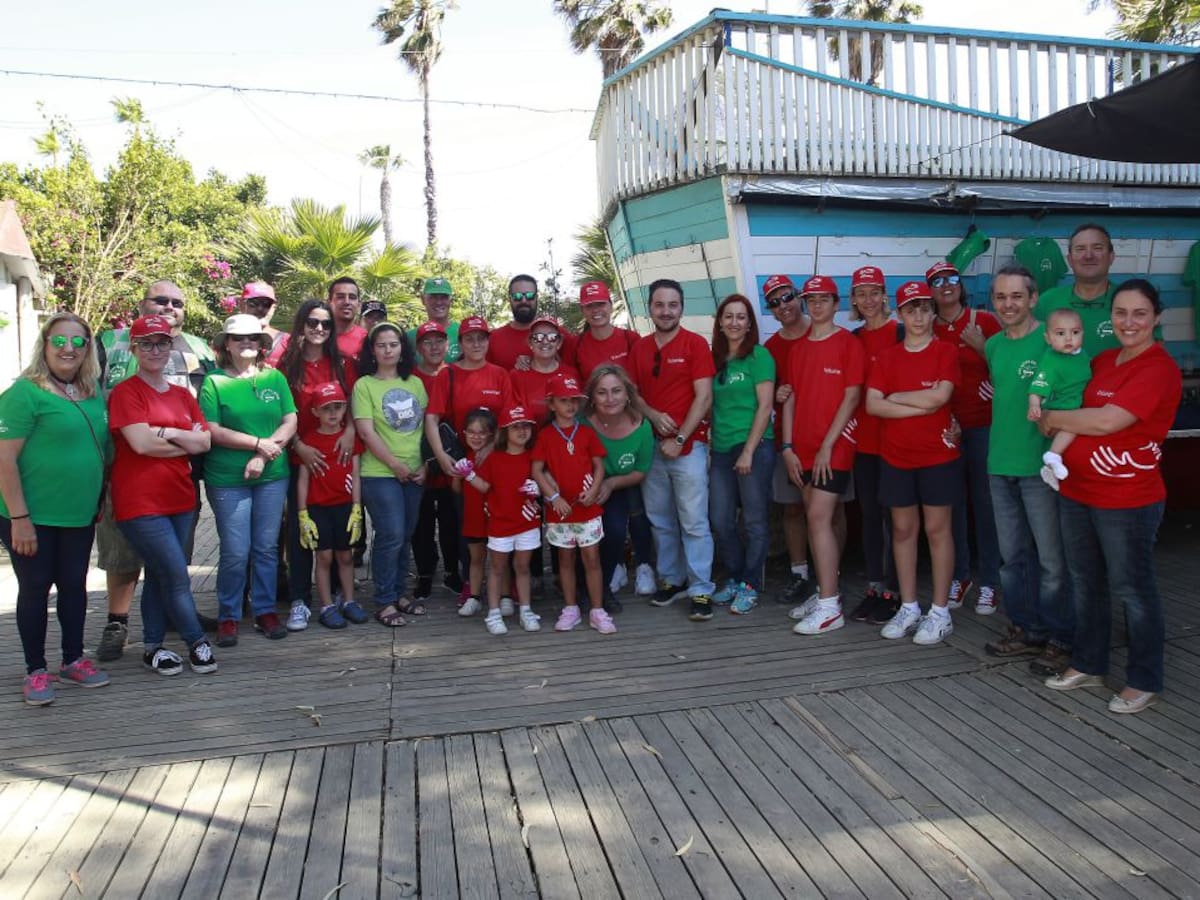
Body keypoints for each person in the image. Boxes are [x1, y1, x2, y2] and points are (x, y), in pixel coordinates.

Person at [1042, 279, 1181, 714]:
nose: (1129, 321)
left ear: (1156, 318)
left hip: (1128, 499)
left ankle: (1143, 678)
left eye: (1140, 313)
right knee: (1086, 582)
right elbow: (1072, 400)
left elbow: (1106, 421)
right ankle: (1090, 663)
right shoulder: (1100, 360)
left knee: (1132, 588)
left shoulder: (1158, 368)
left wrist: (1053, 417)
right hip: (1078, 491)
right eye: (1120, 313)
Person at [94, 280, 216, 662]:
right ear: (134, 347)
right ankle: (197, 643)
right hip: (138, 497)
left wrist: (162, 432)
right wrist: (180, 439)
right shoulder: (125, 390)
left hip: (180, 495)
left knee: (164, 574)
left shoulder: (183, 392)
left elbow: (205, 442)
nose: (155, 349)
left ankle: (153, 647)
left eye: (161, 343)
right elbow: (140, 444)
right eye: (146, 344)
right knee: (170, 572)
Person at [0, 313, 111, 705]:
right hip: (32, 516)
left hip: (78, 514)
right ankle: (35, 669)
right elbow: (4, 460)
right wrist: (19, 519)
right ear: (44, 345)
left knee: (74, 587)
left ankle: (73, 659)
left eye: (78, 342)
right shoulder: (24, 393)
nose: (69, 349)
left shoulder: (93, 393)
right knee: (34, 588)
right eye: (59, 341)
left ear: (88, 350)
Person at [983, 265, 1075, 676]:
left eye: (1017, 296)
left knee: (1052, 560)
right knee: (1011, 558)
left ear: (1033, 299)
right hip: (998, 464)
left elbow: (1072, 394)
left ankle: (1061, 637)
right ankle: (1027, 628)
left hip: (1039, 468)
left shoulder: (1052, 341)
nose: (1008, 304)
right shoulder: (994, 346)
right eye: (1001, 297)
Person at [865, 281, 961, 646]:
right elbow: (874, 405)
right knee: (903, 531)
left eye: (924, 308)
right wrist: (921, 402)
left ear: (932, 311)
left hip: (938, 455)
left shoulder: (945, 351)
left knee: (938, 530)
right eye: (911, 309)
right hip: (896, 456)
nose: (918, 316)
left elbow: (941, 398)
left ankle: (939, 611)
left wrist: (900, 397)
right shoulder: (888, 358)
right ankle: (908, 606)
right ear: (900, 314)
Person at [200, 314, 298, 646]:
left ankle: (265, 610)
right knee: (235, 551)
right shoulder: (214, 382)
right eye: (238, 338)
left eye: (253, 338)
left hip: (271, 474)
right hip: (227, 477)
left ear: (261, 344)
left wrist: (263, 454)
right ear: (226, 344)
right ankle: (229, 615)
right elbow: (211, 430)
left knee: (267, 548)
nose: (246, 343)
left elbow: (290, 421)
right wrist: (257, 444)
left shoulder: (275, 378)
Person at [781, 277, 865, 635]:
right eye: (810, 299)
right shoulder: (798, 349)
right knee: (820, 523)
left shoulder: (847, 343)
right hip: (801, 448)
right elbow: (790, 399)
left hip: (836, 446)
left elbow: (851, 397)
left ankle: (830, 607)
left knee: (818, 518)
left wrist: (830, 443)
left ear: (835, 303)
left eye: (823, 299)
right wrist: (786, 447)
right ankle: (824, 591)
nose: (816, 305)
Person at [629, 278, 716, 621]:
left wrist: (679, 439)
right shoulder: (640, 347)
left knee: (694, 521)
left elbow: (704, 396)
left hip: (689, 447)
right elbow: (632, 392)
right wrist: (651, 414)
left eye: (673, 305)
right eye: (659, 305)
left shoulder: (695, 345)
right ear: (650, 307)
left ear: (682, 307)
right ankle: (673, 579)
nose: (666, 311)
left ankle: (700, 589)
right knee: (661, 519)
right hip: (651, 447)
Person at [273, 299, 358, 629]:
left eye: (325, 323)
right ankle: (299, 599)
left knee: (339, 532)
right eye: (312, 322)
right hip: (301, 459)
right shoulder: (287, 366)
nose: (319, 329)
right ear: (301, 324)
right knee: (301, 532)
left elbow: (354, 407)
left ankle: (338, 595)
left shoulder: (343, 365)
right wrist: (298, 446)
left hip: (338, 457)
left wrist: (350, 431)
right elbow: (279, 414)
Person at [928, 260, 1002, 614]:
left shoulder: (983, 322)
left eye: (952, 278)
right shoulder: (927, 328)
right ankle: (960, 575)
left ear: (961, 284)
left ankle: (990, 580)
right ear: (930, 291)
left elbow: (1011, 368)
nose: (946, 285)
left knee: (986, 504)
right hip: (948, 429)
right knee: (952, 505)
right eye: (937, 281)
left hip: (986, 426)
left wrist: (983, 347)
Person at [352, 322, 428, 626]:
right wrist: (395, 465)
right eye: (381, 345)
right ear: (372, 350)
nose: (388, 350)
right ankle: (384, 600)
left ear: (402, 348)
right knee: (390, 534)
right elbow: (366, 433)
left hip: (414, 471)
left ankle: (399, 593)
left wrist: (425, 465)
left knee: (406, 535)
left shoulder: (416, 384)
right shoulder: (364, 386)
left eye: (393, 344)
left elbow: (424, 429)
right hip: (379, 472)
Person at [708, 293, 776, 615]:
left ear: (749, 324)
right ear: (720, 323)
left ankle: (750, 583)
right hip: (721, 448)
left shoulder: (759, 356)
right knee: (720, 519)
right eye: (729, 316)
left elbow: (765, 406)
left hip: (754, 445)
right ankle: (735, 577)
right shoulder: (715, 359)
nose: (735, 322)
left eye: (741, 317)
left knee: (754, 520)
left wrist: (748, 450)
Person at [532, 372, 612, 634]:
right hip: (560, 512)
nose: (570, 406)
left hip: (587, 509)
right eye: (564, 401)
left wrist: (595, 489)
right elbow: (537, 470)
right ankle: (571, 608)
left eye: (574, 400)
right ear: (551, 404)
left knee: (592, 559)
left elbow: (599, 466)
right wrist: (554, 498)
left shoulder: (587, 433)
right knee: (564, 561)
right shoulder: (545, 436)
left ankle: (598, 610)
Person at [846, 266, 902, 624]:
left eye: (873, 292)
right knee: (869, 517)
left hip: (897, 441)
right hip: (864, 441)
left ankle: (895, 590)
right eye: (860, 293)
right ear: (853, 299)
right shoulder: (852, 338)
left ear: (885, 295)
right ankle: (875, 585)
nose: (867, 299)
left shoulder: (900, 332)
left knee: (895, 518)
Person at [461, 405, 543, 635]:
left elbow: (545, 481)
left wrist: (538, 488)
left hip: (527, 523)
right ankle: (494, 612)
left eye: (526, 426)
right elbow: (485, 487)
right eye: (516, 426)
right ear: (505, 431)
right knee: (497, 567)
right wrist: (469, 475)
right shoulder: (493, 458)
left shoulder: (533, 456)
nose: (522, 431)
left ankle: (526, 610)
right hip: (499, 524)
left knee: (523, 566)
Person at [583, 365, 656, 614]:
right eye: (602, 393)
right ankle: (577, 589)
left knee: (613, 530)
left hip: (618, 485)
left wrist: (611, 483)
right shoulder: (582, 422)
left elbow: (641, 470)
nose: (610, 398)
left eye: (616, 391)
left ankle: (603, 589)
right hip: (583, 485)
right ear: (592, 397)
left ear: (628, 394)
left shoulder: (642, 426)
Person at [762, 275, 814, 603]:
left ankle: (830, 574)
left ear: (799, 297)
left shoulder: (823, 333)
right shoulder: (770, 349)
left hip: (826, 438)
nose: (784, 305)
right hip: (788, 440)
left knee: (831, 511)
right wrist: (776, 396)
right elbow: (763, 398)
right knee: (793, 509)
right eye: (775, 302)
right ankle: (800, 573)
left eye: (788, 297)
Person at [296, 382, 365, 630]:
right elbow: (303, 479)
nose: (333, 413)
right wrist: (302, 513)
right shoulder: (309, 441)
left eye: (338, 407)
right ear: (315, 412)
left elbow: (356, 474)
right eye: (326, 409)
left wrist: (357, 507)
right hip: (318, 508)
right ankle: (326, 605)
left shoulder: (350, 438)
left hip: (345, 506)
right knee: (323, 557)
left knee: (346, 556)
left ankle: (349, 601)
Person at [411, 320, 463, 605]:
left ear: (447, 345)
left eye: (439, 341)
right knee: (421, 524)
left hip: (449, 459)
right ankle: (425, 574)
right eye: (427, 342)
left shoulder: (455, 373)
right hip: (418, 459)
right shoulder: (410, 378)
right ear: (419, 347)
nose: (434, 347)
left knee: (451, 519)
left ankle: (453, 571)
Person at [1028, 309, 1091, 489]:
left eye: (1075, 332)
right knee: (1072, 426)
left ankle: (1050, 469)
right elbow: (1038, 386)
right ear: (1048, 338)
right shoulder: (1051, 360)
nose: (1069, 338)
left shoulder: (1082, 355)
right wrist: (1034, 405)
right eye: (1061, 333)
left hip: (1077, 404)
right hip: (1063, 406)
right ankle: (1053, 455)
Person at [1035, 223, 1120, 357]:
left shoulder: (1129, 301)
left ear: (1111, 257)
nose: (1088, 255)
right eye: (1080, 249)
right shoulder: (1047, 302)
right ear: (1069, 259)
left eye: (1097, 248)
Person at [452, 408, 498, 617]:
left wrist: (469, 475)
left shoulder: (496, 456)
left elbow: (488, 486)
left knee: (499, 560)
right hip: (473, 516)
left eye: (482, 432)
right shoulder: (466, 455)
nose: (476, 437)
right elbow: (456, 490)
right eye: (471, 432)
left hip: (496, 517)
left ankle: (504, 596)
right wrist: (457, 474)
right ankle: (474, 597)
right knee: (476, 558)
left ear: (492, 434)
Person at [488, 274, 577, 371]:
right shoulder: (493, 339)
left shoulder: (557, 335)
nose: (524, 300)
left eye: (530, 295)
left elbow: (573, 375)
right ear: (510, 299)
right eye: (517, 296)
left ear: (536, 298)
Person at [511, 316, 580, 426]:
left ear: (559, 343)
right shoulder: (517, 376)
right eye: (538, 337)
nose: (545, 341)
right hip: (530, 440)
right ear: (530, 343)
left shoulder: (571, 374)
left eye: (552, 337)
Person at [572, 281, 639, 381]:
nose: (595, 310)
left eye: (600, 304)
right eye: (589, 306)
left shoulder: (631, 338)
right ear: (582, 311)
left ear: (611, 306)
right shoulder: (575, 345)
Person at [407, 277, 460, 362]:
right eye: (433, 297)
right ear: (423, 299)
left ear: (451, 300)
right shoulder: (410, 337)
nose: (439, 302)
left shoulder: (463, 332)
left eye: (444, 297)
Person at [240, 281, 287, 353]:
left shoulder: (288, 342)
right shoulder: (228, 342)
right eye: (254, 303)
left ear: (274, 307)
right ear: (242, 305)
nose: (260, 308)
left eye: (266, 304)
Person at [330, 277, 368, 360]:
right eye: (340, 297)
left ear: (359, 305)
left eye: (352, 297)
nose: (347, 302)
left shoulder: (367, 340)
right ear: (329, 303)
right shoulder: (316, 336)